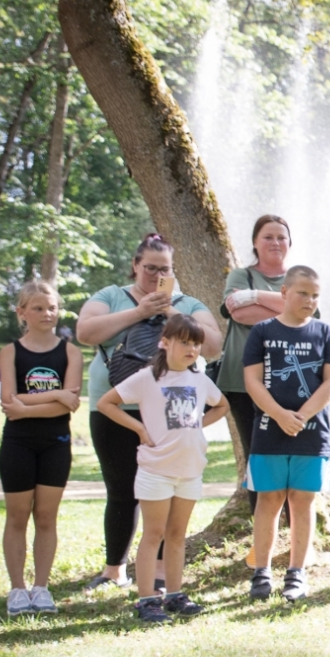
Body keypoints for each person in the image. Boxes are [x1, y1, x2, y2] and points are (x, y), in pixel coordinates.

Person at [76, 234, 221, 591]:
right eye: (149, 269)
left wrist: (172, 312)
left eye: (164, 270)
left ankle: (159, 572)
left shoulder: (188, 303)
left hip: (173, 412)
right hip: (115, 408)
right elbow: (86, 332)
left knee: (169, 490)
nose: (156, 277)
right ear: (135, 266)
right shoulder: (110, 296)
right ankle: (114, 570)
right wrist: (140, 312)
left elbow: (214, 346)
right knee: (121, 488)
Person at [99, 314, 227, 622]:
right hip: (156, 470)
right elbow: (106, 403)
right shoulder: (147, 378)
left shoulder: (199, 379)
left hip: (190, 469)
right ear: (165, 342)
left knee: (177, 535)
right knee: (154, 533)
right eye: (184, 342)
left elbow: (222, 405)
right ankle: (146, 600)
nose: (191, 349)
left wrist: (199, 425)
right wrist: (140, 430)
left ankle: (174, 594)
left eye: (196, 343)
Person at [244, 265, 330, 602]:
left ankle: (296, 573)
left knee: (303, 502)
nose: (309, 300)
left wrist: (300, 416)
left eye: (315, 295)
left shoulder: (325, 333)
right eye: (302, 292)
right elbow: (252, 381)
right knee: (268, 501)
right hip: (269, 433)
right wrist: (279, 415)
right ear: (284, 292)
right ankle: (261, 572)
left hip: (312, 435)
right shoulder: (262, 332)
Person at [0, 280, 84, 616]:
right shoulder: (10, 352)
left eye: (51, 308)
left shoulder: (70, 352)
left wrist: (30, 406)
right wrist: (55, 393)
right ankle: (17, 590)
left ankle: (41, 587)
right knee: (17, 516)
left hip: (55, 444)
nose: (47, 314)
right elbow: (8, 401)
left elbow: (69, 405)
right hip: (18, 444)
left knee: (46, 517)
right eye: (38, 308)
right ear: (22, 313)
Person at [219, 215, 292, 511]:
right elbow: (237, 313)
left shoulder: (298, 276)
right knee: (256, 455)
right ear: (254, 242)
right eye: (268, 237)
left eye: (281, 237)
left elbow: (310, 315)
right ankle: (259, 529)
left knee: (288, 452)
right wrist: (289, 311)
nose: (275, 242)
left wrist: (254, 298)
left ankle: (289, 523)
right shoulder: (239, 276)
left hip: (288, 382)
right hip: (241, 381)